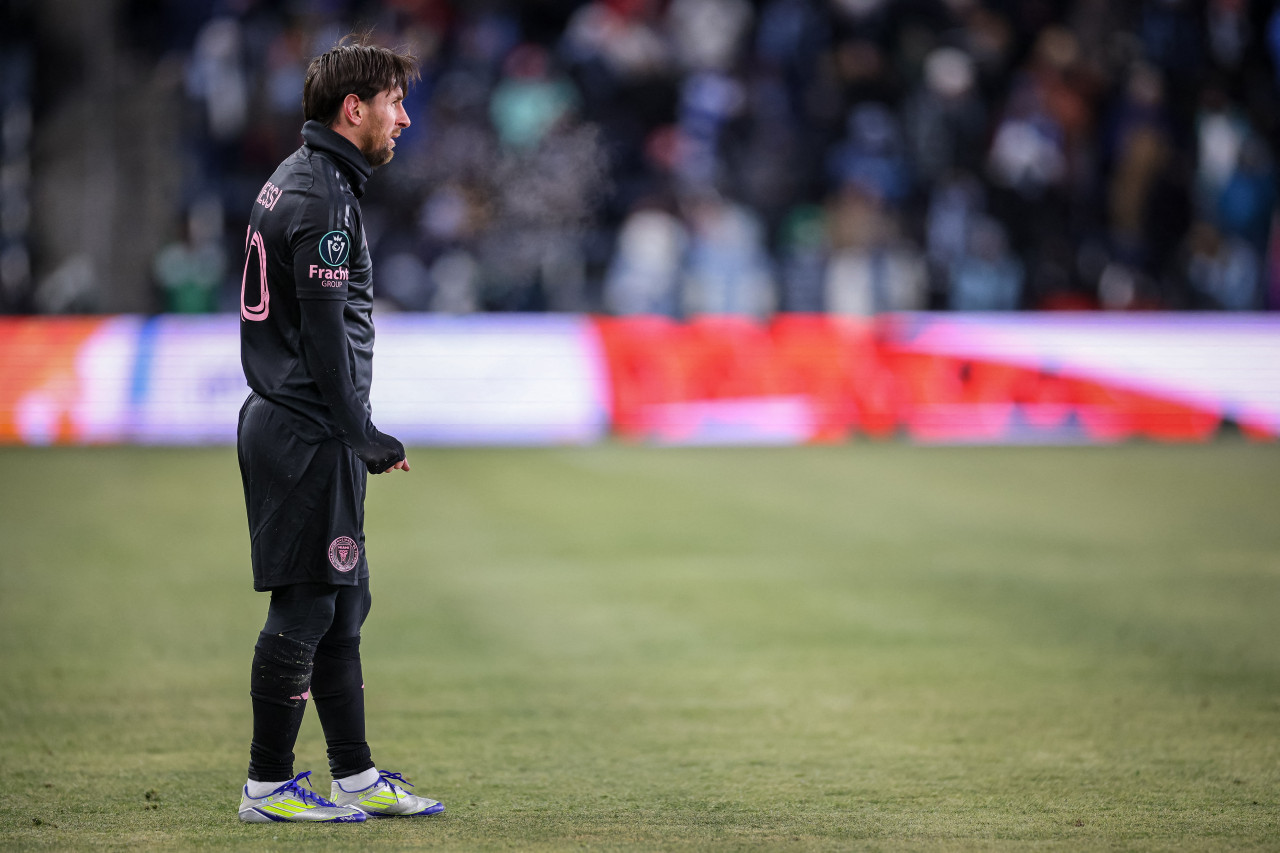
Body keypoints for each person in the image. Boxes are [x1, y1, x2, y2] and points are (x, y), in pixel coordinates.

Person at [234, 35, 443, 824]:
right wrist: (363, 433)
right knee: (306, 606)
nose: (406, 119)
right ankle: (266, 785)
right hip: (305, 429)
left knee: (343, 601)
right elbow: (323, 333)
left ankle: (354, 774)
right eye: (395, 103)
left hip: (301, 424)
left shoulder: (304, 179)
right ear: (352, 109)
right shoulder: (322, 195)